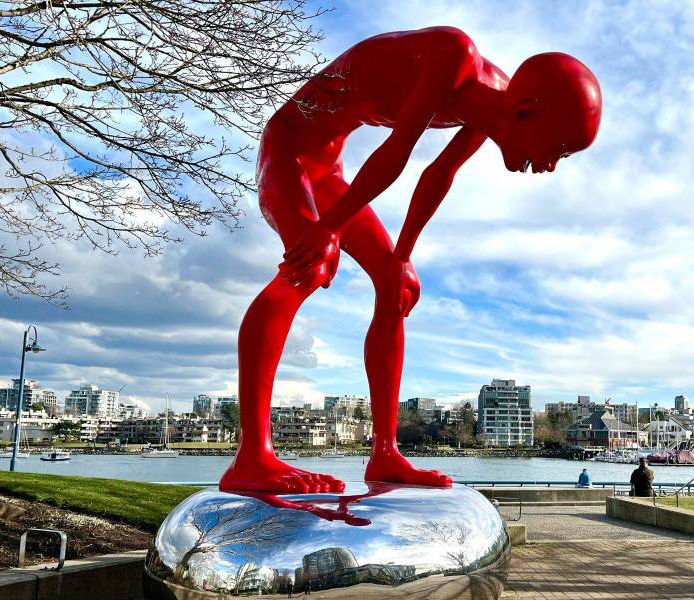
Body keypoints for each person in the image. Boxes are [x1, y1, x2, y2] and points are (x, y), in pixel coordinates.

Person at [218, 26, 602, 494]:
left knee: (395, 286)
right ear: (527, 111)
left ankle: (385, 453)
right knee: (310, 263)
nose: (550, 166)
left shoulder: (495, 99)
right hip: (287, 151)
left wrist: (401, 257)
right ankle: (251, 455)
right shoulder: (452, 55)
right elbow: (397, 153)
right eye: (558, 149)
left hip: (327, 169)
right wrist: (327, 228)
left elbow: (439, 174)